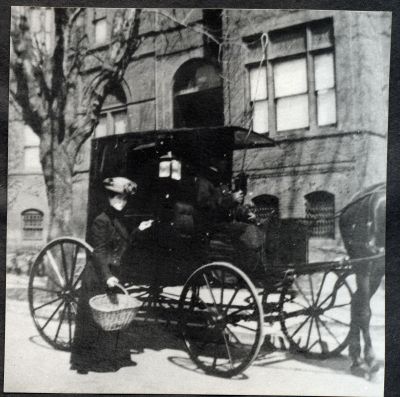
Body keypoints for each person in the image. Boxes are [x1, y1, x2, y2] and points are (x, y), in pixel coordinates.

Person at [70, 177, 153, 374]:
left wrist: (139, 230)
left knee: (112, 318)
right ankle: (87, 362)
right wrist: (107, 276)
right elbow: (98, 252)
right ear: (109, 197)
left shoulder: (119, 219)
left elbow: (123, 244)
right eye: (118, 198)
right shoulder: (101, 220)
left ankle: (110, 358)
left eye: (124, 199)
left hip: (112, 273)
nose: (121, 202)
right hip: (98, 276)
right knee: (95, 321)